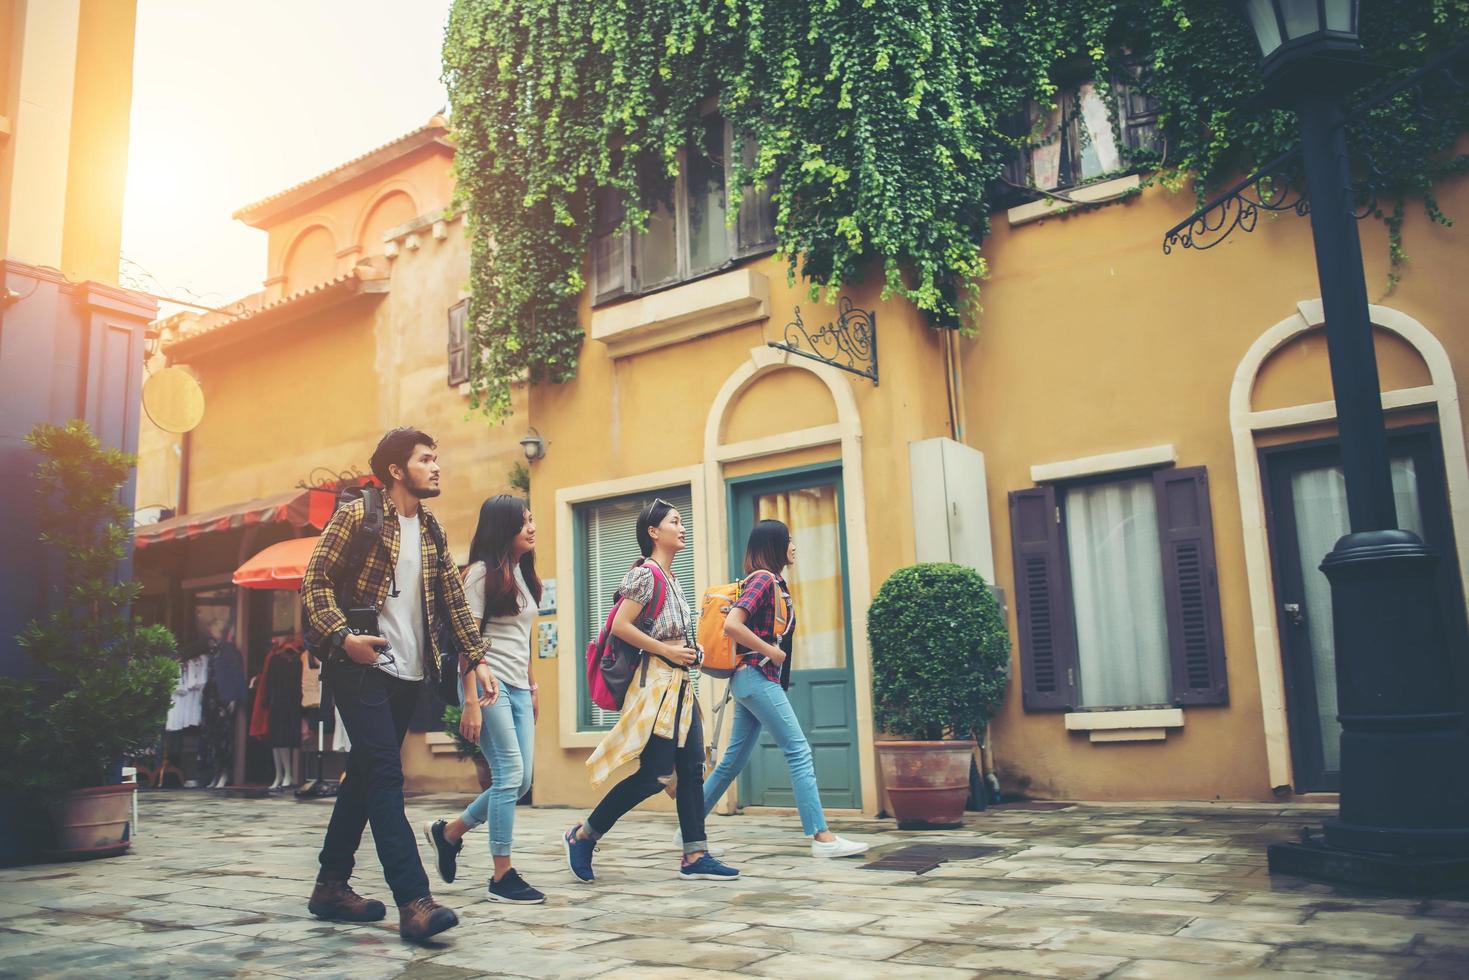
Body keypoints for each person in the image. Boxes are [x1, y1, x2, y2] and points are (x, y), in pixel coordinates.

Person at [301, 427, 500, 943]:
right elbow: (315, 581)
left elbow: (454, 599)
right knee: (388, 778)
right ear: (396, 470)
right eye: (426, 459)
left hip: (410, 673)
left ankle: (330, 885)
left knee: (365, 778)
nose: (437, 467)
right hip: (360, 667)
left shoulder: (431, 528)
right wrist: (344, 638)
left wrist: (476, 658)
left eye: (437, 458)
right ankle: (414, 901)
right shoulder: (357, 515)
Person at [563, 498, 739, 883]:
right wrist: (668, 650)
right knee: (655, 775)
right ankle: (583, 836)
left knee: (691, 769)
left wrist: (693, 652)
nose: (682, 527)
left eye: (681, 521)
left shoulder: (673, 579)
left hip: (679, 686)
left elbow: (671, 632)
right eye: (675, 521)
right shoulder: (647, 575)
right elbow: (621, 626)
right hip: (657, 689)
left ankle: (695, 855)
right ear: (653, 531)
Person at [697, 519, 868, 858]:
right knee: (799, 750)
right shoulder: (763, 579)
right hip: (755, 677)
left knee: (732, 762)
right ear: (775, 545)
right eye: (788, 540)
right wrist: (771, 651)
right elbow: (733, 625)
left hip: (753, 680)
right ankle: (822, 837)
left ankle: (689, 826)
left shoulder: (775, 583)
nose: (794, 547)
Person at [423, 495, 545, 904]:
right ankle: (501, 874)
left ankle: (450, 832)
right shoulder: (478, 575)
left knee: (522, 779)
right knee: (510, 773)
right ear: (502, 527)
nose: (531, 528)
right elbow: (465, 641)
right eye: (524, 522)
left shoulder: (523, 574)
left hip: (518, 687)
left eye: (532, 520)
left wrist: (534, 686)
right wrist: (470, 701)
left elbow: (521, 639)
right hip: (488, 686)